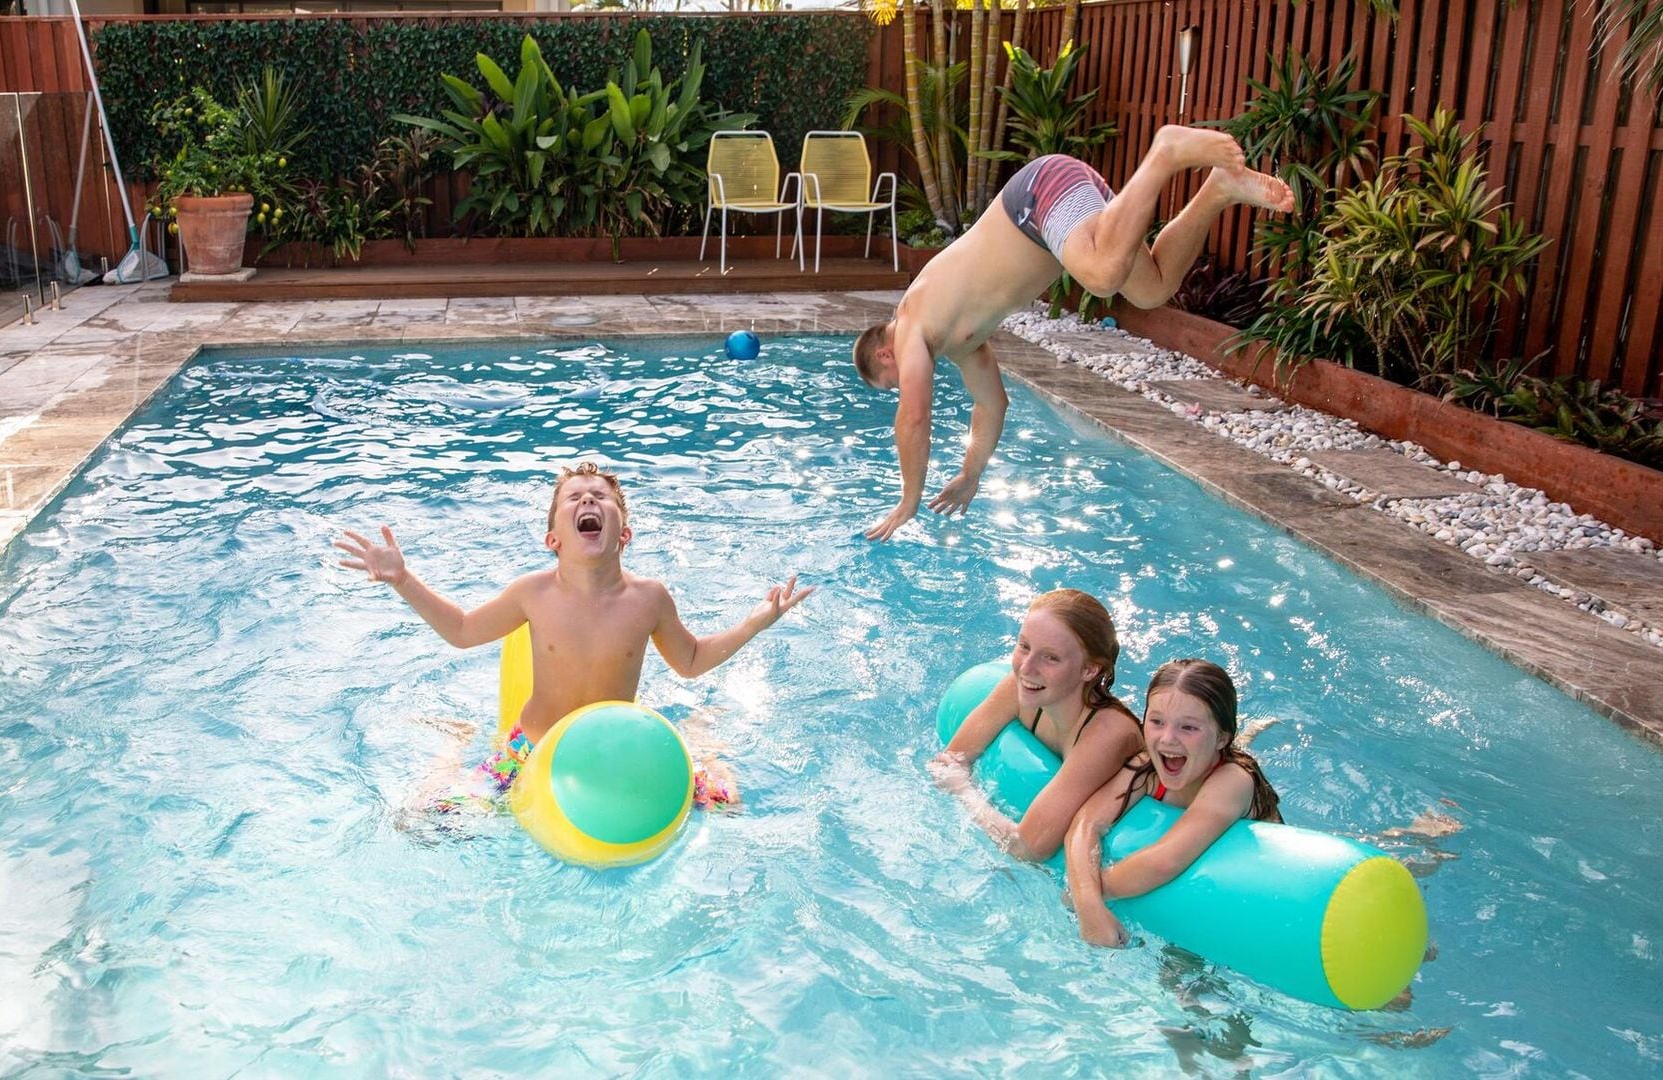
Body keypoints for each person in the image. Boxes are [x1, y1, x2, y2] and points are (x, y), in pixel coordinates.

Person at [851, 127, 1295, 540]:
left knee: (1102, 275)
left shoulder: (909, 323)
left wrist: (908, 501)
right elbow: (990, 404)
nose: (904, 386)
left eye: (892, 384)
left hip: (1038, 198)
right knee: (1152, 287)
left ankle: (1166, 150)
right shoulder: (958, 340)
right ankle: (1218, 190)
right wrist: (971, 475)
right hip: (1057, 215)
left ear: (885, 356)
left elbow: (913, 417)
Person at [334, 462, 814, 809]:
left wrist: (756, 622)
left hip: (618, 746)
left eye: (601, 497)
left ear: (624, 534)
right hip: (533, 748)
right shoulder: (532, 594)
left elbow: (689, 661)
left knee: (726, 806)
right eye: (575, 497)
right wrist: (402, 579)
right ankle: (454, 745)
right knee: (427, 822)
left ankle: (700, 739)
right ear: (553, 540)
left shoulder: (648, 599)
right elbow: (461, 631)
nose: (588, 500)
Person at [1063, 658, 1282, 947]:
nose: (1167, 739)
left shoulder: (1232, 781)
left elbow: (1165, 861)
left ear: (1221, 738)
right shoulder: (1147, 766)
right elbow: (1087, 822)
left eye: (1188, 727)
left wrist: (1084, 898)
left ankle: (1245, 736)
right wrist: (1088, 903)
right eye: (1156, 722)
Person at [929, 588, 1143, 861]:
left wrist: (963, 791)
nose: (1027, 668)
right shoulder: (1021, 687)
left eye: (1050, 657)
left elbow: (1028, 848)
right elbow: (949, 760)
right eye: (1024, 647)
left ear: (1089, 670)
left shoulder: (1108, 735)